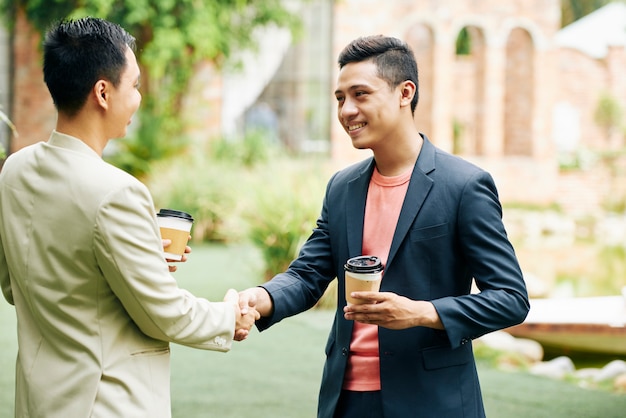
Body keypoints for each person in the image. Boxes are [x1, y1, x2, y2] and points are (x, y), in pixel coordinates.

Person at [238, 35, 529, 418]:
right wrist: (261, 298)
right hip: (345, 400)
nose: (346, 110)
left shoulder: (464, 186)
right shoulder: (342, 187)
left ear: (404, 93)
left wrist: (422, 313)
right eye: (340, 98)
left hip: (430, 401)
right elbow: (309, 274)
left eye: (361, 94)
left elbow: (511, 298)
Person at [0, 17, 258, 418]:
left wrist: (136, 258)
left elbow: (15, 286)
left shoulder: (14, 170)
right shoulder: (116, 192)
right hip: (105, 403)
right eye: (134, 84)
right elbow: (164, 314)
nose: (139, 97)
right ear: (103, 92)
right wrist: (230, 317)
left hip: (38, 402)